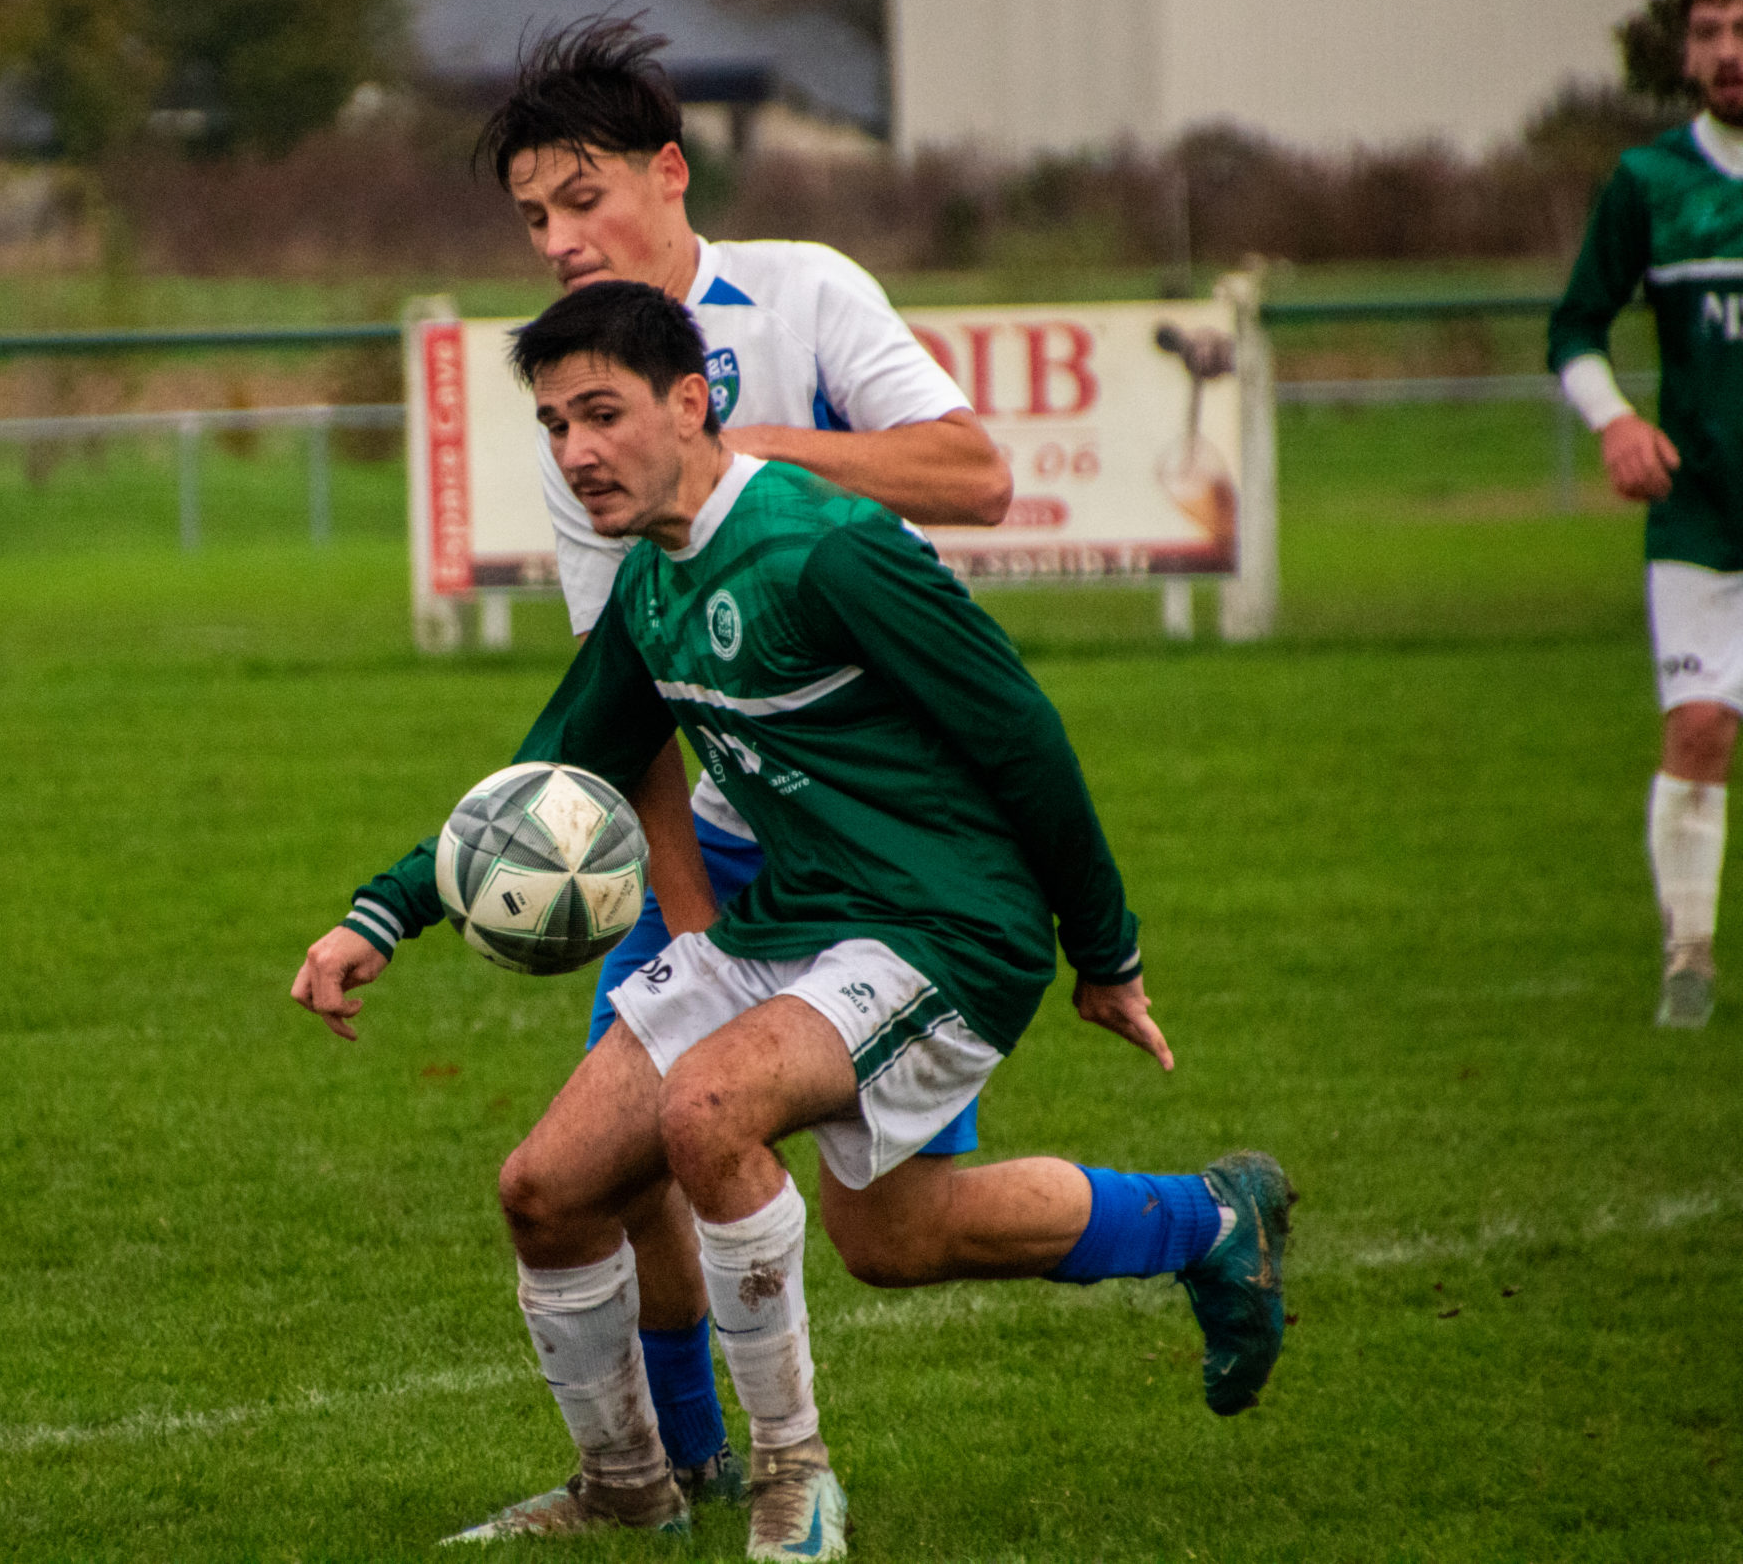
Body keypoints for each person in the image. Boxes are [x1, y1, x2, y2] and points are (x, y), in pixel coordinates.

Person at [293, 283, 1293, 1558]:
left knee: (708, 1111)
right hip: (799, 918)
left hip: (944, 927)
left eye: (602, 413)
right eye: (553, 425)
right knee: (564, 1194)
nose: (576, 450)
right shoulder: (651, 585)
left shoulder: (826, 547)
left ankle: (793, 1479)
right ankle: (628, 1488)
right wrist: (379, 914)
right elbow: (555, 773)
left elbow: (1021, 735)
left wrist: (1105, 952)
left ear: (690, 402)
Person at [474, 16, 1014, 1498]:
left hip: (886, 835)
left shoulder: (802, 291)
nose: (559, 239)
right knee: (594, 1166)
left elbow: (973, 475)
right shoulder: (576, 401)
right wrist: (682, 904)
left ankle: (1201, 1226)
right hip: (712, 827)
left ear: (669, 171)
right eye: (532, 217)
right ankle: (678, 1473)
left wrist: (736, 455)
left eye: (582, 198)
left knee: (894, 1231)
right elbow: (629, 686)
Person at [1550, 0, 1743, 1029]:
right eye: (1710, 31)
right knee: (1700, 726)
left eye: (1742, 29)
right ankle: (1689, 960)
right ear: (1685, 51)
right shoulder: (1651, 184)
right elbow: (1575, 325)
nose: (1729, 51)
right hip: (1702, 509)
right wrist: (1616, 421)